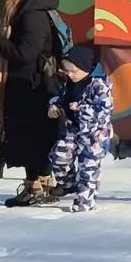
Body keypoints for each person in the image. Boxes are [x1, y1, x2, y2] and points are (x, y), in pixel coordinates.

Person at [0, 0, 63, 207]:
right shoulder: (30, 11)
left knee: (32, 138)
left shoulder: (32, 16)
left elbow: (24, 54)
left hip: (33, 85)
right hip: (30, 82)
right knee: (33, 137)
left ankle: (35, 187)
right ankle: (41, 184)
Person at [44, 46, 113, 214]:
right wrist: (54, 105)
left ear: (84, 68)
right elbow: (61, 96)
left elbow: (104, 111)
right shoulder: (70, 82)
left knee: (88, 168)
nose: (70, 74)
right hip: (72, 129)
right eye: (66, 71)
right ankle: (68, 183)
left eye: (73, 71)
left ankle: (84, 202)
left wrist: (81, 108)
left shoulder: (99, 85)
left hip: (94, 135)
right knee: (59, 156)